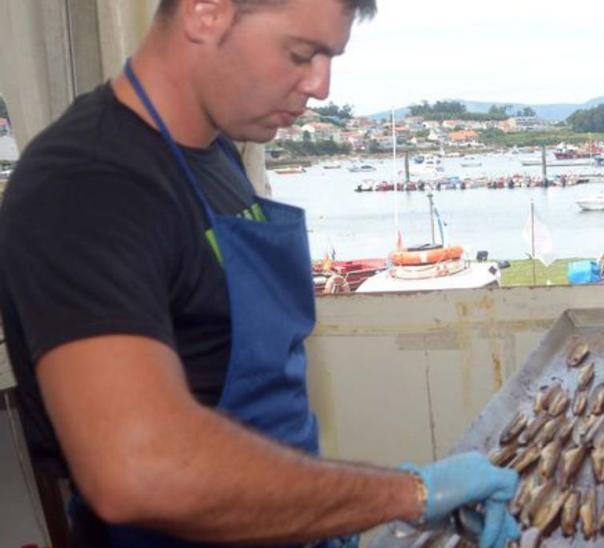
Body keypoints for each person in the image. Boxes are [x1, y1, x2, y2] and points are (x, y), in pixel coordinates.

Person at [0, 1, 519, 546]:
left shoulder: (217, 154)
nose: (321, 86)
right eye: (301, 54)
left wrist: (324, 519)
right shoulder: (85, 184)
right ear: (207, 13)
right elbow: (139, 470)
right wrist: (406, 495)